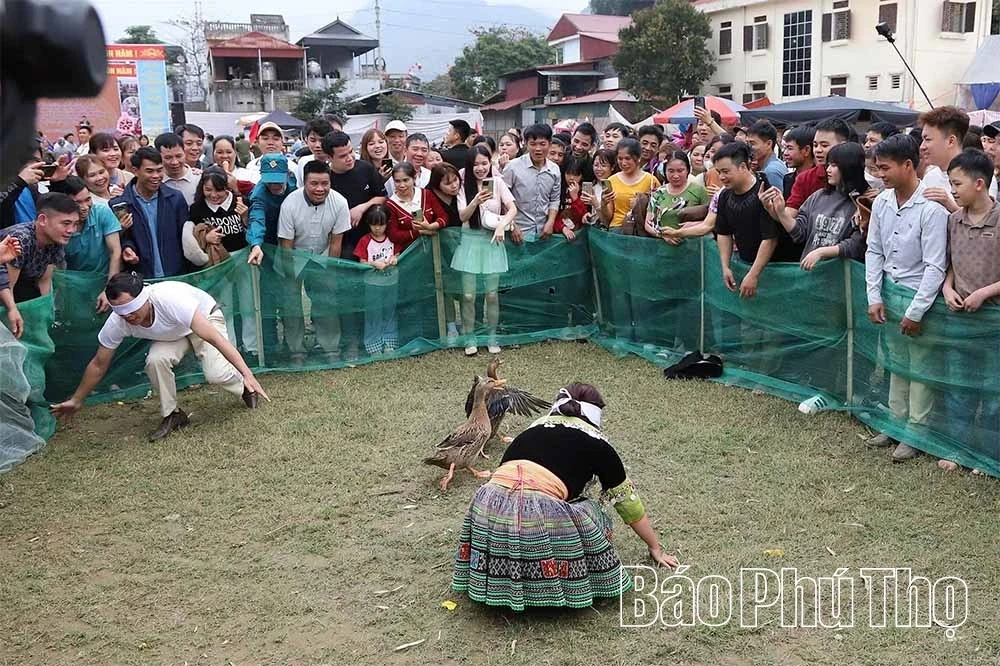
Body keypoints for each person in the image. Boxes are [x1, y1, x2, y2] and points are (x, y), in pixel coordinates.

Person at [451, 383, 678, 611]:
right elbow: (629, 505)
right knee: (591, 511)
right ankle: (551, 586)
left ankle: (496, 579)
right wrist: (655, 547)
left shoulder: (531, 431)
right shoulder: (598, 444)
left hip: (486, 509)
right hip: (535, 517)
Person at [50, 272, 269, 440]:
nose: (129, 317)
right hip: (172, 334)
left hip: (204, 319)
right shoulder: (118, 322)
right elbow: (99, 364)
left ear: (144, 297)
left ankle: (245, 388)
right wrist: (77, 399)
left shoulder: (170, 300)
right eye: (121, 312)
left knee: (216, 374)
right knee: (155, 361)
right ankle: (173, 415)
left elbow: (215, 339)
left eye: (132, 309)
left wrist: (247, 373)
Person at [864, 135, 948, 462]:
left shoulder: (932, 208)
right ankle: (894, 423)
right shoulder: (883, 202)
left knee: (920, 369)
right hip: (889, 292)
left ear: (908, 165)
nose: (881, 174)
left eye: (885, 168)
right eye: (878, 167)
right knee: (896, 364)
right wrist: (874, 295)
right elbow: (874, 250)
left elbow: (935, 265)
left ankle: (916, 432)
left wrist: (915, 311)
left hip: (919, 300)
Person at [941, 149, 1000, 452]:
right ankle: (956, 447)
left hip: (993, 322)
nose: (952, 190)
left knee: (993, 391)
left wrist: (984, 292)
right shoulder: (953, 220)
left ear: (979, 183)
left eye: (957, 184)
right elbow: (951, 263)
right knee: (958, 386)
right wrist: (947, 288)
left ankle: (988, 453)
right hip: (959, 319)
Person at [277, 160, 352, 365]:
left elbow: (336, 241)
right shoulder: (290, 204)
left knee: (327, 299)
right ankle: (296, 351)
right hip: (293, 254)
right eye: (314, 183)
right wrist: (290, 273)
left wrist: (330, 271)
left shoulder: (340, 202)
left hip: (323, 253)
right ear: (304, 182)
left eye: (324, 183)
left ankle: (330, 348)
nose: (320, 189)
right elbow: (286, 244)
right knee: (291, 301)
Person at [182, 169, 255, 360]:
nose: (214, 195)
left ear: (227, 188)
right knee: (224, 306)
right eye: (208, 190)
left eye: (219, 190)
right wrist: (206, 237)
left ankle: (252, 347)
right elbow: (192, 234)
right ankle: (228, 349)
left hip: (243, 257)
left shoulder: (241, 202)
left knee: (249, 303)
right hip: (217, 261)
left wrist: (245, 217)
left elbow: (252, 230)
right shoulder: (197, 208)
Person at [760, 142, 867, 268]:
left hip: (842, 278)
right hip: (812, 276)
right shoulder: (819, 196)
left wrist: (822, 252)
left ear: (849, 168)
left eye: (834, 165)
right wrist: (781, 211)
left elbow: (856, 245)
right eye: (828, 165)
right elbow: (800, 233)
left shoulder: (862, 202)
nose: (828, 170)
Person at [713, 142, 799, 300]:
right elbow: (723, 233)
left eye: (726, 171)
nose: (721, 177)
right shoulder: (725, 195)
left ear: (743, 167)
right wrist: (725, 267)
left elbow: (770, 239)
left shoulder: (764, 192)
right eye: (719, 172)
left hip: (776, 270)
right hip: (744, 267)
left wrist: (753, 274)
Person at [454, 144, 517, 356]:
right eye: (476, 164)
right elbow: (462, 216)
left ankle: (492, 336)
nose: (480, 168)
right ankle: (469, 337)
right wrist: (475, 201)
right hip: (470, 242)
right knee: (469, 295)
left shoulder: (497, 182)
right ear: (469, 166)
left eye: (484, 163)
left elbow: (513, 208)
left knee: (491, 294)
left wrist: (501, 226)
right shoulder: (463, 186)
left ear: (490, 163)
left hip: (492, 242)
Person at [0, 193, 79, 337]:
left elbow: (45, 280)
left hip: (26, 286)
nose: (71, 230)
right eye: (66, 223)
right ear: (43, 220)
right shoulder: (20, 239)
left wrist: (47, 313)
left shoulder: (56, 240)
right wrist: (12, 311)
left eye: (75, 224)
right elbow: (8, 285)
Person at [111, 147, 189, 279]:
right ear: (135, 171)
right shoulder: (120, 204)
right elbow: (122, 238)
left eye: (159, 170)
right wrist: (127, 248)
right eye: (149, 171)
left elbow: (186, 236)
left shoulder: (175, 199)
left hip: (176, 276)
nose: (156, 176)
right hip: (141, 278)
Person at [55, 177, 122, 312]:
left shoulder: (102, 213)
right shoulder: (57, 225)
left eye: (88, 199)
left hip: (105, 280)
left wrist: (109, 289)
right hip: (73, 288)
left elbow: (115, 251)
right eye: (78, 202)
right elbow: (56, 267)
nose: (85, 207)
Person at [353, 205, 401, 355]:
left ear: (387, 223)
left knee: (389, 312)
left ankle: (390, 343)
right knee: (373, 314)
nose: (378, 228)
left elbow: (398, 253)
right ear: (369, 224)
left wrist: (394, 258)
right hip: (372, 284)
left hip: (391, 283)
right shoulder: (365, 241)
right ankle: (373, 345)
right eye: (374, 225)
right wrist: (374, 263)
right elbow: (362, 261)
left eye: (381, 225)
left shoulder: (392, 239)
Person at [502, 123, 561, 240]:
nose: (538, 149)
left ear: (549, 144)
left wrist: (550, 222)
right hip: (518, 232)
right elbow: (503, 199)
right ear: (526, 145)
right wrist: (512, 225)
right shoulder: (512, 167)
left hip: (543, 232)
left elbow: (554, 199)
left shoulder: (554, 170)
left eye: (542, 144)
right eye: (533, 144)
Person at [785, 117, 850, 217]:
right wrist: (777, 209)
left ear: (843, 145)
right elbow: (791, 215)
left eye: (824, 145)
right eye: (815, 145)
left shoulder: (858, 176)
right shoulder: (805, 178)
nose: (818, 150)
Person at [646, 151, 709, 241]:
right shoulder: (659, 193)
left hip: (693, 248)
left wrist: (695, 225)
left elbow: (711, 220)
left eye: (680, 171)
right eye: (671, 171)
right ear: (665, 171)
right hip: (662, 248)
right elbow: (648, 223)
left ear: (688, 170)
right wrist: (662, 235)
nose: (675, 175)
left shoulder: (699, 191)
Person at [918, 106, 969, 213]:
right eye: (923, 140)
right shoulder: (930, 176)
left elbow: (983, 221)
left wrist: (950, 205)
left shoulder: (977, 175)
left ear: (950, 141)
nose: (922, 146)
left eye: (928, 139)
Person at [385, 162, 445, 251]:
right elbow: (393, 235)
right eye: (397, 181)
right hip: (408, 254)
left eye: (406, 180)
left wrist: (432, 226)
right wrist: (420, 232)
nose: (402, 185)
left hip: (433, 248)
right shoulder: (390, 204)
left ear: (414, 178)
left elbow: (443, 216)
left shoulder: (426, 194)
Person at [607, 138, 660, 232]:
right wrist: (603, 203)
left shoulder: (651, 180)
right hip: (617, 230)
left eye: (628, 158)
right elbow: (607, 216)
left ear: (638, 158)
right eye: (620, 158)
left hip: (641, 230)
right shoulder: (611, 181)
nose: (623, 163)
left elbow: (658, 208)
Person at [155, 132, 200, 206]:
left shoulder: (199, 179)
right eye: (168, 158)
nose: (174, 162)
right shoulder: (155, 181)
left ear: (184, 153)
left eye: (179, 156)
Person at [746, 120, 788, 189]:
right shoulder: (769, 167)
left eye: (752, 143)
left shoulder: (771, 171)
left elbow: (777, 199)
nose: (748, 147)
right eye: (747, 143)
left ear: (768, 144)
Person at [293, 117, 333, 186]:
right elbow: (301, 187)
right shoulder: (303, 162)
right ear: (306, 140)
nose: (317, 145)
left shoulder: (336, 163)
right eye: (313, 140)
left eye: (322, 140)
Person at [781, 125, 815, 198]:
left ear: (806, 150)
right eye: (785, 148)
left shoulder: (820, 179)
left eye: (790, 148)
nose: (785, 153)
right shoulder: (788, 179)